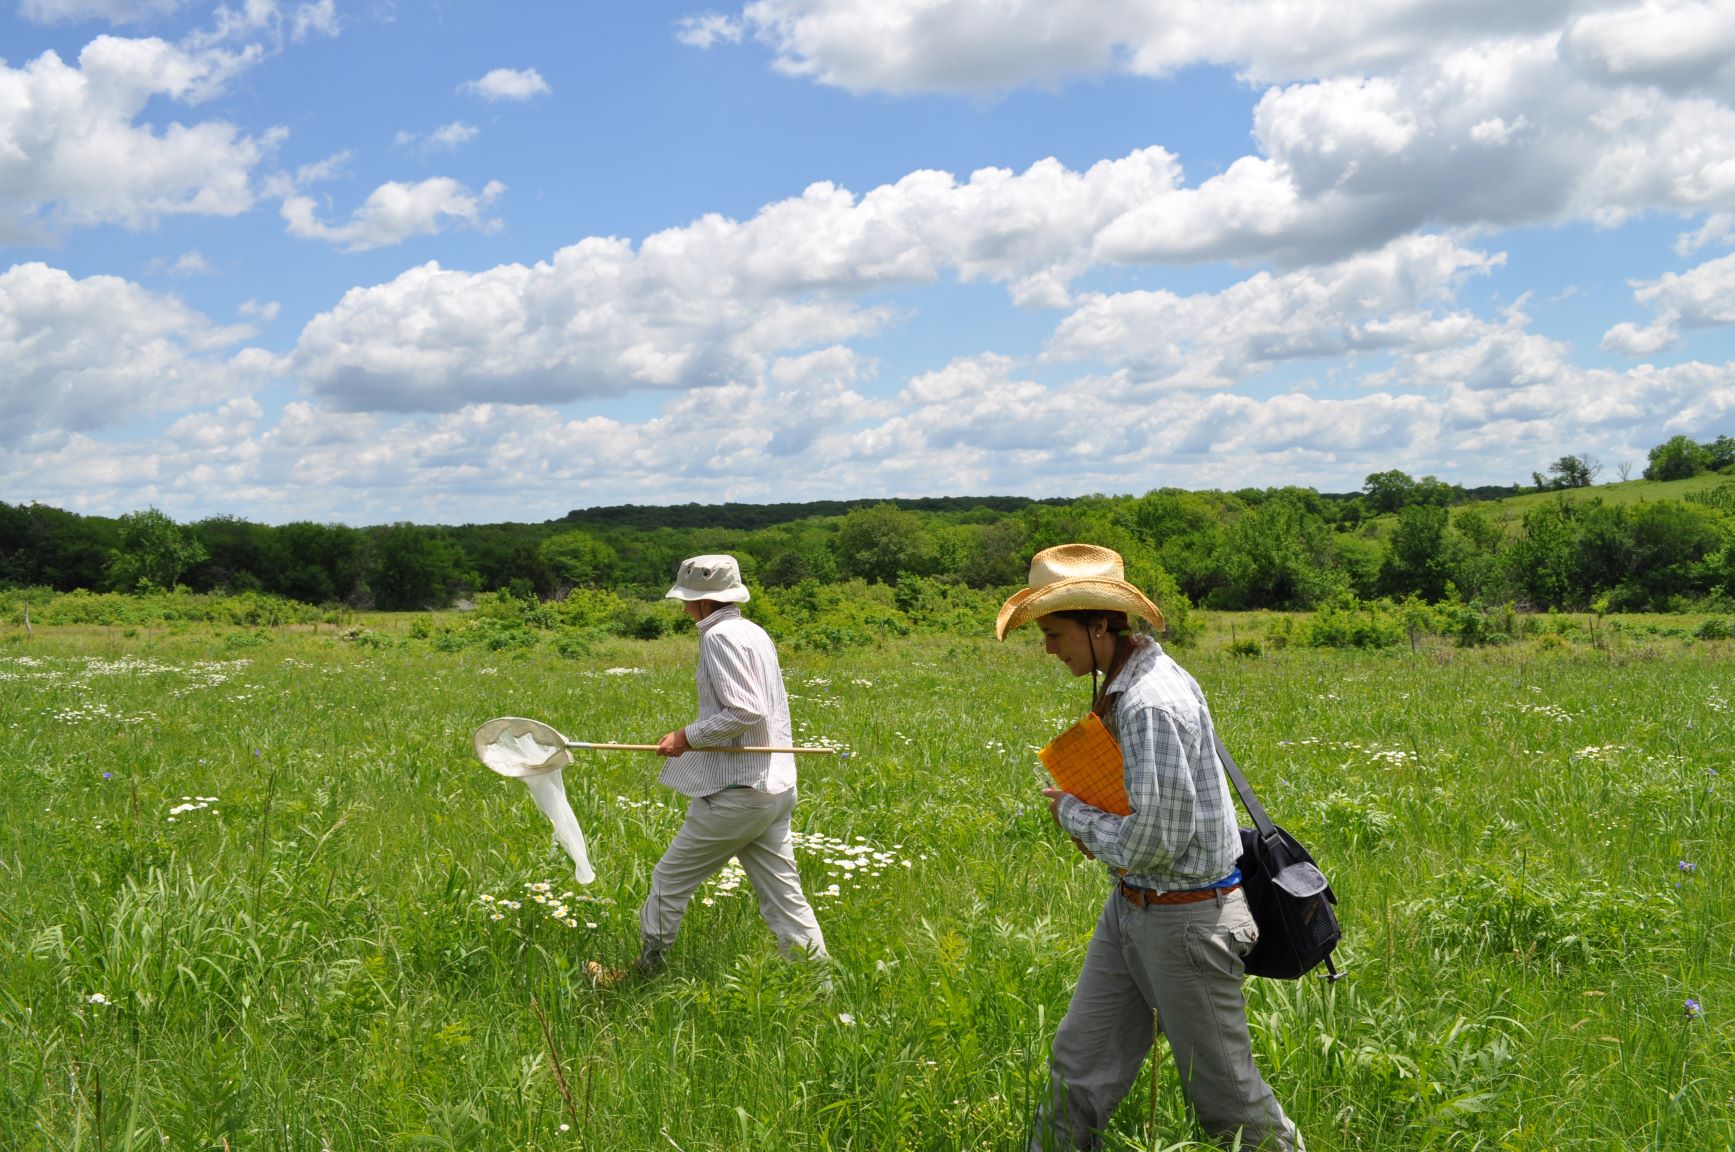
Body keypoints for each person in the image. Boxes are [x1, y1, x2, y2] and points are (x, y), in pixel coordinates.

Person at [999, 544, 1303, 1152]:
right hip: (1137, 908)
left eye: (1055, 632)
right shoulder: (1129, 681)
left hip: (1187, 918)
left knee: (1228, 1100)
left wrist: (1074, 814)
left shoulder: (1148, 702)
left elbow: (1158, 842)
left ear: (1100, 624)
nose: (1049, 648)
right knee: (1078, 1066)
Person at [636, 553, 828, 974]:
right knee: (785, 896)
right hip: (773, 790)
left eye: (688, 600)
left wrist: (686, 737)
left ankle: (644, 974)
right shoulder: (753, 631)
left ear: (705, 602)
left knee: (669, 882)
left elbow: (747, 710)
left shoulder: (720, 637)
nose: (685, 608)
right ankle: (819, 984)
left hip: (738, 793)